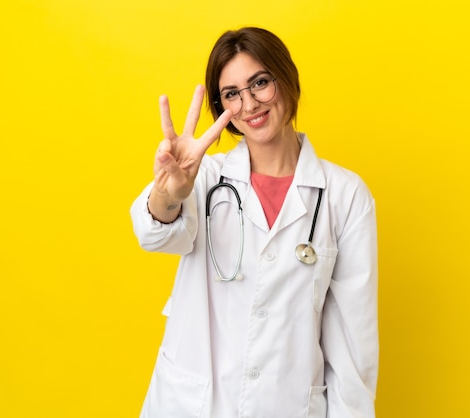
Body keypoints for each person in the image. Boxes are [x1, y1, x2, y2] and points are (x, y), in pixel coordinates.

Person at [130, 27, 378, 418]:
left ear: (287, 78)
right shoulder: (204, 178)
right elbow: (155, 236)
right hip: (194, 405)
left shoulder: (345, 196)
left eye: (260, 83)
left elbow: (353, 342)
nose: (249, 104)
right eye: (232, 94)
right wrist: (169, 194)